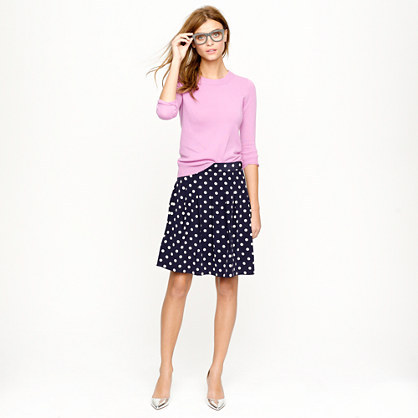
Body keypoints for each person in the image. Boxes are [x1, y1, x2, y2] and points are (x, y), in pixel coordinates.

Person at [147, 5, 261, 411]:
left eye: (216, 34)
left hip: (230, 188)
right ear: (191, 41)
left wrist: (254, 206)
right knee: (179, 281)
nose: (210, 42)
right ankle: (166, 369)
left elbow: (249, 149)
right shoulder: (185, 82)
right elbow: (164, 112)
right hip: (192, 186)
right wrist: (177, 60)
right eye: (201, 36)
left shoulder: (244, 87)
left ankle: (216, 372)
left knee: (227, 283)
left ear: (226, 36)